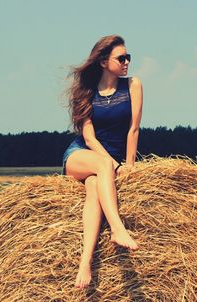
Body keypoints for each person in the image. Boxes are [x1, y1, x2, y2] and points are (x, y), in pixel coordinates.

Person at [61, 35, 143, 289]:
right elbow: (89, 137)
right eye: (121, 58)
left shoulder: (132, 86)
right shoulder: (86, 92)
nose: (127, 61)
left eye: (128, 57)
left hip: (107, 163)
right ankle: (118, 228)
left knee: (96, 186)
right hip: (81, 154)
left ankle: (85, 263)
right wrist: (111, 164)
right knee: (102, 167)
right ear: (104, 62)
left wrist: (129, 165)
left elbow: (133, 129)